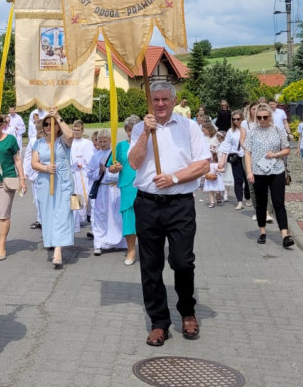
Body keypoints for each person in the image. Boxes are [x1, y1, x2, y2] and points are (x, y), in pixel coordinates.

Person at [128, 81, 210, 347]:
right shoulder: (141, 128)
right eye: (155, 100)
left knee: (183, 262)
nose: (160, 104)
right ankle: (158, 322)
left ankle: (187, 310)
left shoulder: (189, 127)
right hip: (147, 204)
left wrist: (174, 178)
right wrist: (144, 134)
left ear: (174, 101)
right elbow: (134, 162)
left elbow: (202, 164)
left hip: (179, 205)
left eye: (165, 99)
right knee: (150, 266)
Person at [244, 104, 294, 248]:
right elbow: (248, 153)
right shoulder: (252, 132)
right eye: (259, 117)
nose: (262, 120)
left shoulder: (278, 131)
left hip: (276, 170)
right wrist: (249, 171)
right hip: (259, 172)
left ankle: (284, 235)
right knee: (261, 203)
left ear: (270, 117)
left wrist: (276, 154)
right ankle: (262, 231)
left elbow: (286, 149)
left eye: (265, 117)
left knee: (279, 203)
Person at [32, 111, 74, 268]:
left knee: (62, 214)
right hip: (45, 181)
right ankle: (52, 241)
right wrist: (45, 167)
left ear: (57, 126)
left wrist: (57, 116)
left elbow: (70, 135)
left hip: (63, 183)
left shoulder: (63, 141)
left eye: (52, 124)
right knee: (49, 214)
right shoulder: (39, 143)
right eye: (46, 124)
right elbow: (34, 163)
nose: (49, 127)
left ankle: (58, 249)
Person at [0, 114, 27, 261]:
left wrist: (22, 179)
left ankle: (2, 244)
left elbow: (17, 159)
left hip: (6, 181)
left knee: (3, 214)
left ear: (2, 125)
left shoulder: (10, 139)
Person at [86, 129, 127, 256]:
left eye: (105, 141)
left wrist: (108, 170)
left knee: (117, 216)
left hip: (115, 190)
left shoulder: (116, 154)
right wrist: (99, 171)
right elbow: (89, 173)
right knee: (100, 216)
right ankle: (99, 243)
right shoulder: (96, 155)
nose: (103, 144)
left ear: (110, 141)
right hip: (102, 190)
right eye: (100, 141)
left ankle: (120, 242)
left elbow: (122, 171)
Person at [116, 116, 141, 265]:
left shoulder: (148, 144)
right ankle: (131, 250)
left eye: (135, 129)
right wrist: (114, 168)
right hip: (127, 187)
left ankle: (147, 250)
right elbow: (111, 167)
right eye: (129, 130)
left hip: (145, 187)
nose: (132, 132)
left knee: (146, 221)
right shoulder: (120, 146)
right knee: (129, 221)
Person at [219, 110, 251, 210]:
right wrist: (222, 161)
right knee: (238, 179)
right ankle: (239, 201)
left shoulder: (247, 129)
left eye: (238, 119)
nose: (236, 121)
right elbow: (226, 146)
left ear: (242, 119)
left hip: (246, 156)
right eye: (234, 119)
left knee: (247, 179)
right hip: (236, 157)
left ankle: (248, 197)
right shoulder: (231, 132)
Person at [24, 108, 47, 229]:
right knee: (37, 197)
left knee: (46, 197)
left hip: (47, 172)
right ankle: (40, 219)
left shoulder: (49, 138)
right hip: (35, 173)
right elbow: (27, 156)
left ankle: (47, 219)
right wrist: (25, 172)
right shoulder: (33, 140)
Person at [69, 120, 95, 231]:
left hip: (82, 172)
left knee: (84, 194)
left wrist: (83, 164)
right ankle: (76, 218)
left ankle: (84, 215)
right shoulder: (69, 142)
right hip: (72, 172)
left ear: (82, 130)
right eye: (74, 130)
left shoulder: (87, 143)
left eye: (78, 130)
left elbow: (90, 159)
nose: (76, 132)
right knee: (74, 194)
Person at [201, 123, 225, 207]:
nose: (203, 132)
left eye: (205, 130)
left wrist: (217, 156)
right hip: (207, 159)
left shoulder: (216, 137)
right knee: (209, 177)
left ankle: (218, 195)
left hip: (215, 159)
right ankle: (212, 197)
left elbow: (221, 147)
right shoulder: (203, 137)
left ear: (209, 129)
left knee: (217, 178)